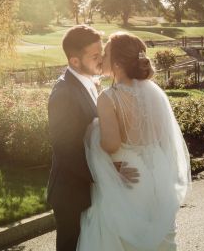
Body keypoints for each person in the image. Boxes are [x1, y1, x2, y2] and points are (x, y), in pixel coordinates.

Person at [77, 32, 191, 251]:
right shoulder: (155, 93)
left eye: (106, 52)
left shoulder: (109, 97)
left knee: (125, 240)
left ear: (118, 63)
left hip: (127, 174)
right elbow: (159, 136)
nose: (102, 56)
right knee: (156, 238)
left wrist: (94, 133)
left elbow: (111, 145)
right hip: (157, 174)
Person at [47, 25, 139, 251]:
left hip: (90, 190)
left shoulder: (90, 83)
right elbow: (65, 150)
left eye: (102, 54)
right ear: (75, 61)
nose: (102, 60)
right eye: (95, 56)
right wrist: (110, 172)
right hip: (72, 194)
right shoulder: (64, 94)